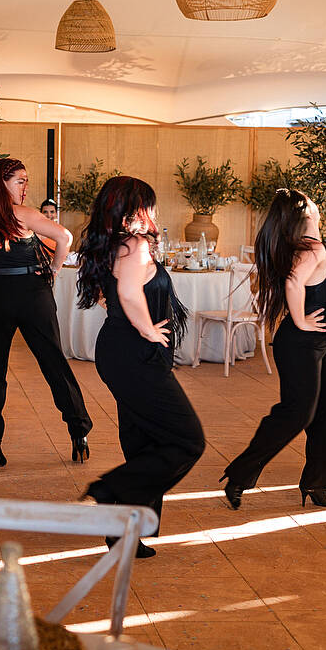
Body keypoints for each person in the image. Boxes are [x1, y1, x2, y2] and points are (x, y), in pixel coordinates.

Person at [76, 176, 203, 559]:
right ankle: (110, 492)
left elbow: (109, 296)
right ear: (135, 208)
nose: (154, 211)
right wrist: (146, 327)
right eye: (149, 204)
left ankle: (125, 531)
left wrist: (132, 321)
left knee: (142, 439)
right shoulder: (134, 244)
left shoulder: (114, 244)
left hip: (123, 351)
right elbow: (129, 293)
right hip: (135, 355)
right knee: (186, 439)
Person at [221, 188, 326, 512]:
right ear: (305, 214)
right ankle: (240, 474)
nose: (316, 202)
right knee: (297, 413)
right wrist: (301, 319)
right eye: (310, 201)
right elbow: (293, 282)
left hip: (317, 346)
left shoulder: (308, 245)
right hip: (301, 345)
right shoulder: (311, 249)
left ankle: (317, 481)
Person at [0, 157, 91, 468]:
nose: (25, 187)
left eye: (26, 181)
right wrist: (54, 269)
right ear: (1, 182)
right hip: (33, 294)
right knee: (54, 364)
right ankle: (79, 434)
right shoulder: (24, 215)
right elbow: (65, 237)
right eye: (19, 180)